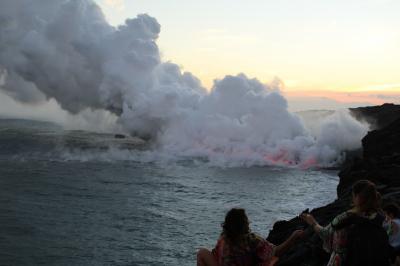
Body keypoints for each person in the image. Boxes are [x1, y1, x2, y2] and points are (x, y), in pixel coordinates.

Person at [300, 179, 389, 266]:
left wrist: (312, 222)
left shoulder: (346, 218)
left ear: (357, 196)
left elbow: (325, 234)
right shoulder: (383, 218)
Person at [197, 208, 304, 266]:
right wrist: (293, 237)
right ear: (244, 225)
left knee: (202, 252)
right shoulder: (252, 240)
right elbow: (275, 252)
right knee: (273, 259)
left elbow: (217, 255)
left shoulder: (224, 238)